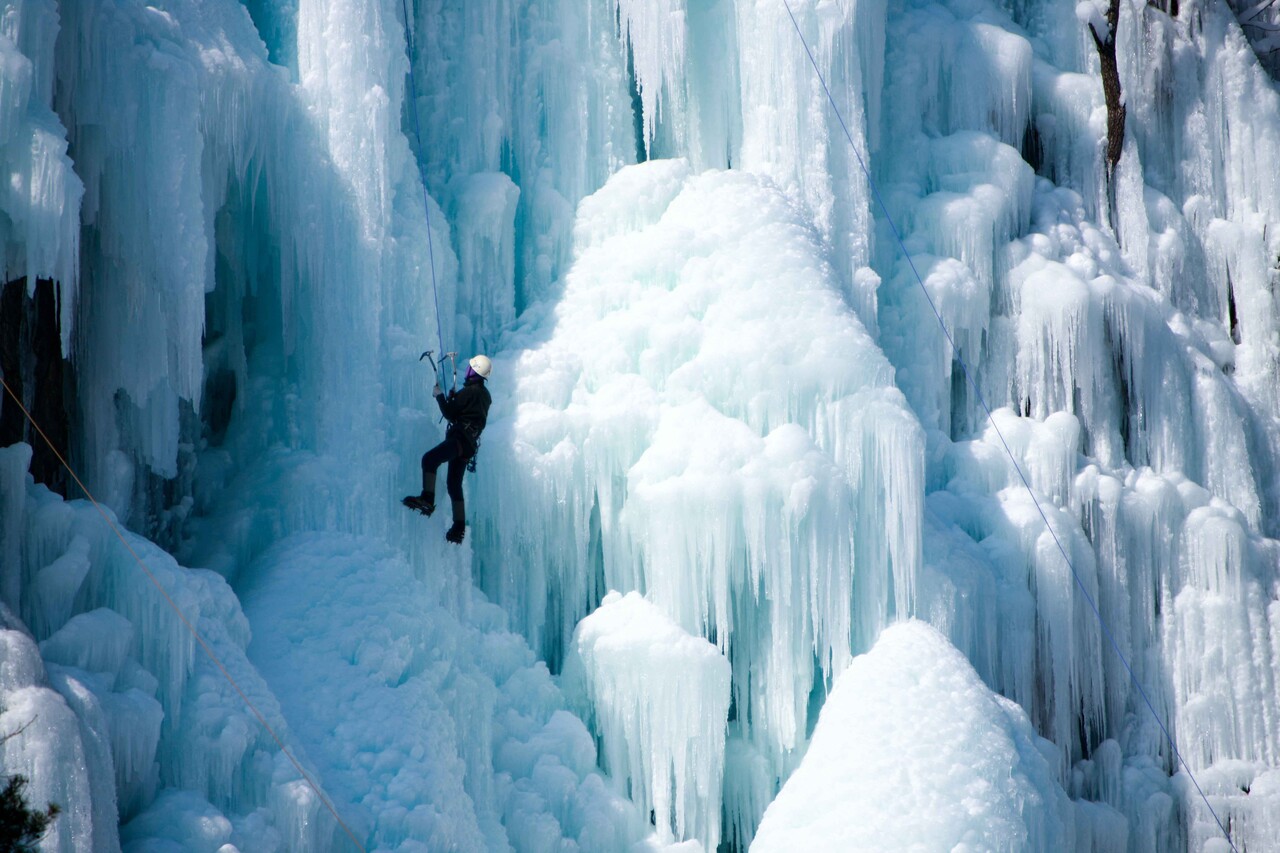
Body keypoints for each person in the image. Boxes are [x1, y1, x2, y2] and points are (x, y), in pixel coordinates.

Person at [403, 354, 492, 543]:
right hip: (469, 446)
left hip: (459, 440)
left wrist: (440, 396)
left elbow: (450, 414)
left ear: (473, 371)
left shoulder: (470, 392)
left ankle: (427, 499)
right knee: (454, 484)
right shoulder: (485, 395)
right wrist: (455, 398)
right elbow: (467, 411)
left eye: (470, 369)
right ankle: (458, 527)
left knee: (429, 460)